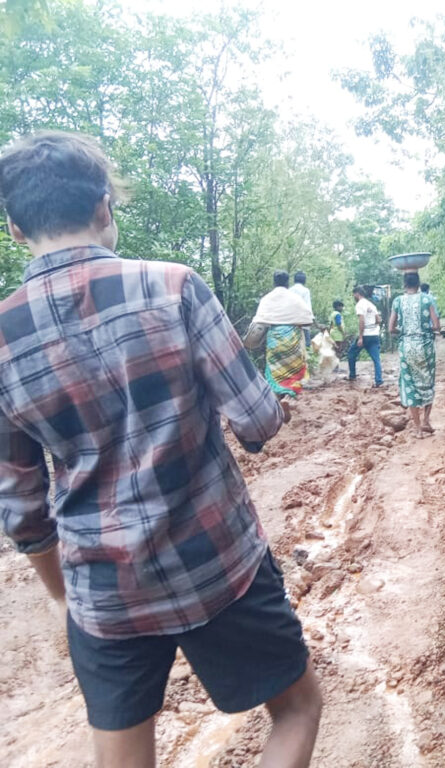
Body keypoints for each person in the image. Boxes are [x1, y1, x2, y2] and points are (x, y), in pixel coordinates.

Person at [0, 131, 321, 767]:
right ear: (103, 207)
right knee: (297, 711)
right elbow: (257, 418)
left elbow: (22, 507)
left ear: (14, 229)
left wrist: (67, 597)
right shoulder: (174, 287)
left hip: (102, 594)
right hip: (218, 567)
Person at [252, 270, 316, 411]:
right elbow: (308, 320)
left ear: (274, 282)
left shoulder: (267, 298)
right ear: (288, 282)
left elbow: (259, 321)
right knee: (295, 371)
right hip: (293, 338)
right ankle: (288, 397)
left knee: (275, 371)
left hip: (274, 339)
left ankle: (277, 404)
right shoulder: (296, 298)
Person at [388, 271, 441, 437]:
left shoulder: (398, 301)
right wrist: (424, 329)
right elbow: (436, 325)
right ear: (418, 284)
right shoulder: (427, 299)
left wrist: (404, 331)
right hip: (425, 348)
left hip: (406, 348)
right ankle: (426, 420)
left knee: (410, 386)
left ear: (405, 284)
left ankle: (418, 429)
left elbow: (391, 328)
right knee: (428, 382)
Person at [347, 285, 383, 387]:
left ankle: (352, 375)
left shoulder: (360, 305)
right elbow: (378, 320)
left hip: (365, 335)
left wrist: (360, 337)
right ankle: (379, 380)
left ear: (357, 294)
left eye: (354, 295)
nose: (354, 297)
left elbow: (361, 321)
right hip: (374, 334)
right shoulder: (371, 305)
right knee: (376, 359)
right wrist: (373, 326)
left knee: (351, 354)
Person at [290, 270, 313, 348]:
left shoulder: (290, 290)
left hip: (291, 323)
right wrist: (312, 321)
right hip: (303, 323)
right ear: (304, 280)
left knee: (292, 346)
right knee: (306, 345)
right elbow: (308, 307)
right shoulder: (305, 291)